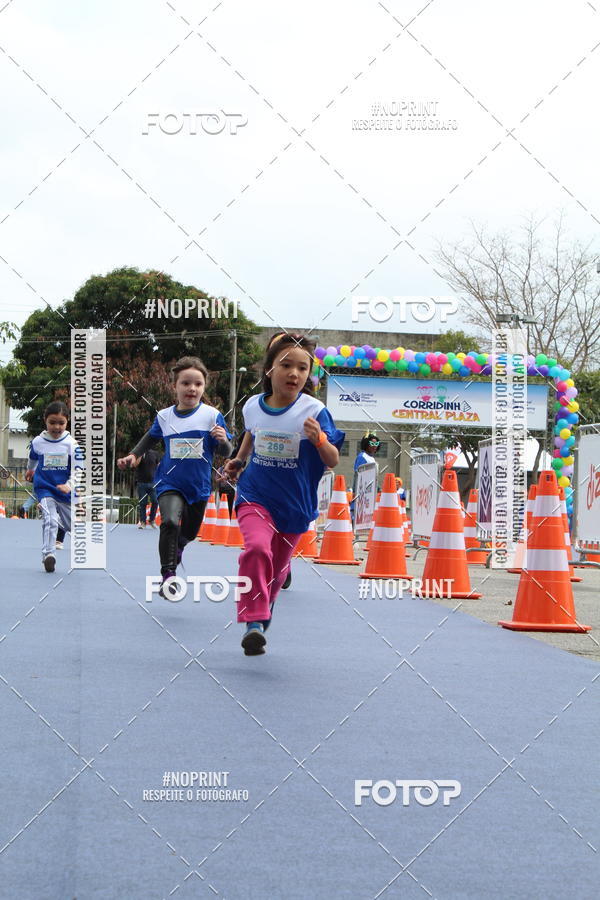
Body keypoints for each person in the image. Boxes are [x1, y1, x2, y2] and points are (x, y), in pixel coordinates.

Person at [222, 333, 344, 656]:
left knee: (275, 573)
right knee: (256, 549)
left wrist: (319, 440)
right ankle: (253, 621)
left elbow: (332, 459)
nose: (294, 374)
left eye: (302, 368)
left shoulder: (315, 411)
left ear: (309, 375)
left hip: (295, 506)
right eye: (286, 365)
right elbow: (252, 433)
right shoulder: (252, 406)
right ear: (269, 370)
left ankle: (263, 613)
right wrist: (239, 460)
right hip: (255, 495)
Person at [117, 356, 232, 595]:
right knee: (169, 522)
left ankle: (178, 548)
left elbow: (225, 452)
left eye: (198, 384)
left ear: (204, 387)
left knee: (188, 533)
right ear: (175, 386)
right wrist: (133, 456)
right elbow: (150, 438)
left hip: (199, 486)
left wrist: (223, 441)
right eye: (186, 383)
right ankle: (168, 575)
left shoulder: (212, 415)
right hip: (169, 482)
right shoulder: (165, 416)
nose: (192, 388)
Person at [25, 400, 79, 573]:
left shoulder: (72, 445)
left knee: (71, 525)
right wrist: (30, 471)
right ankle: (49, 555)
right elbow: (32, 458)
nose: (57, 427)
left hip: (65, 492)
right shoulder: (38, 442)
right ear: (45, 421)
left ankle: (61, 527)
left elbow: (79, 470)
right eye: (52, 422)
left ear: (67, 422)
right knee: (50, 519)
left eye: (61, 423)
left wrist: (69, 485)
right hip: (45, 487)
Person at [135, 448, 160, 528]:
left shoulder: (155, 453)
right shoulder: (139, 453)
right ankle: (143, 522)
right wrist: (140, 454)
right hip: (141, 483)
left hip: (153, 483)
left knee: (155, 501)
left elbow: (159, 466)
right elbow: (135, 464)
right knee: (143, 503)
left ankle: (152, 520)